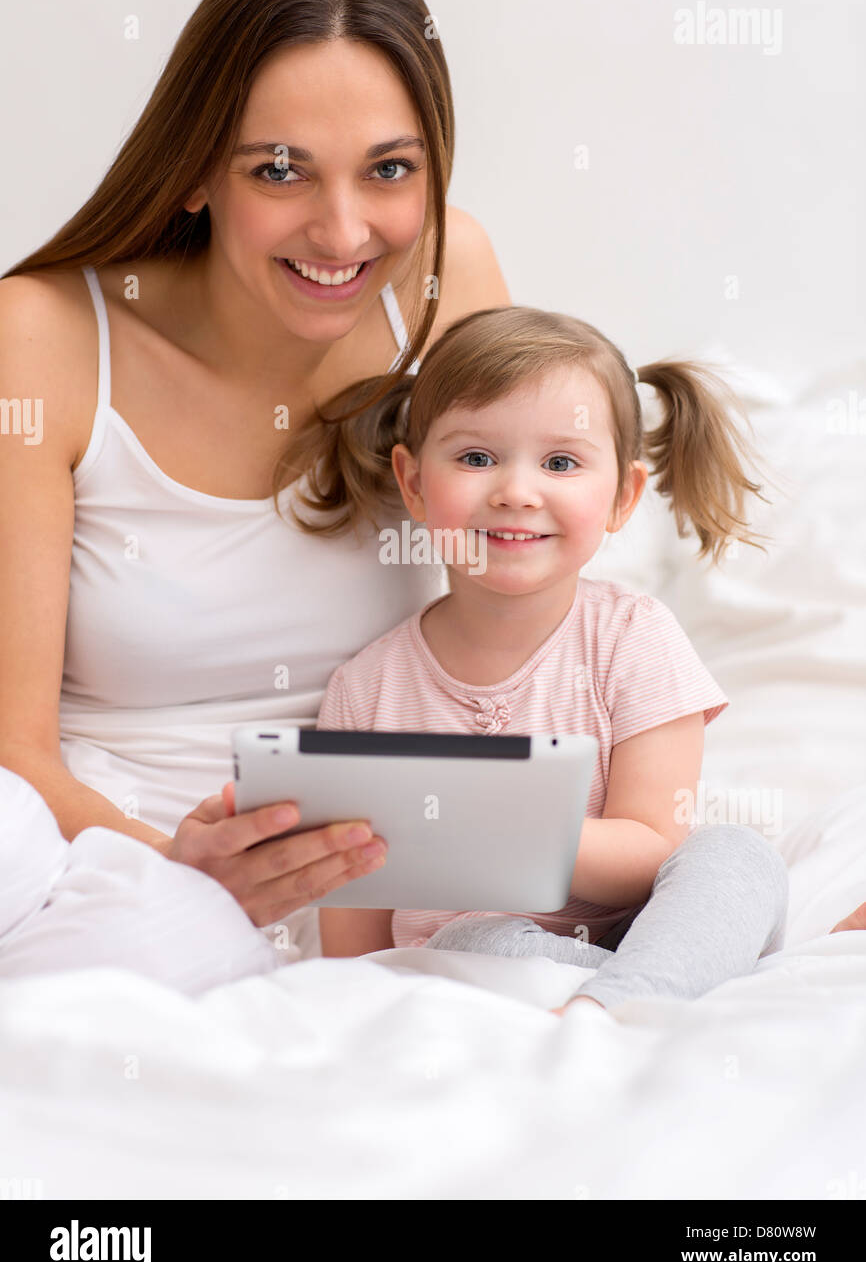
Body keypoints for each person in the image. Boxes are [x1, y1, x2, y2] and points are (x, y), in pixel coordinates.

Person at [0, 0, 509, 985]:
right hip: (102, 850)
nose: (342, 230)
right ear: (193, 167)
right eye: (278, 170)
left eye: (389, 168)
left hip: (377, 862)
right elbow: (14, 752)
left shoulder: (446, 282)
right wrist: (185, 875)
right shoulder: (42, 338)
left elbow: (526, 605)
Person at [312, 303, 853, 1015]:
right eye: (476, 458)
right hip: (480, 958)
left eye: (561, 462)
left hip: (636, 936)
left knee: (736, 856)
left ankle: (619, 1002)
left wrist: (505, 823)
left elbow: (653, 849)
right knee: (477, 935)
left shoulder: (634, 636)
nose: (515, 491)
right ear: (413, 483)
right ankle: (618, 1003)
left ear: (623, 496)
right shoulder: (367, 688)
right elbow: (352, 920)